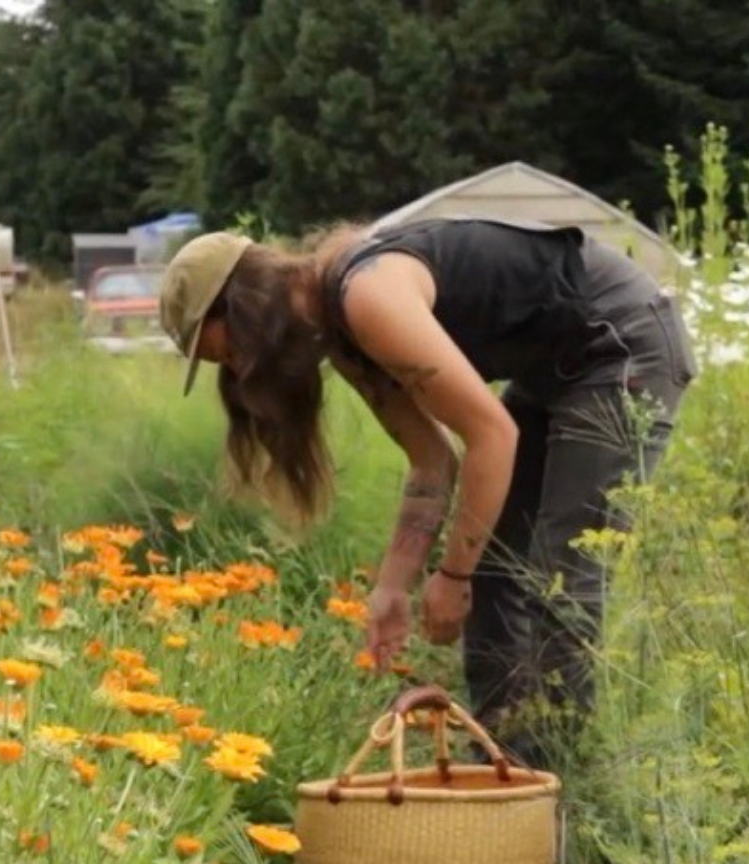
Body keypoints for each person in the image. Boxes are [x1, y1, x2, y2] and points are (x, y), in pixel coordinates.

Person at [159, 218, 696, 768]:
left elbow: (492, 435)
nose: (241, 373)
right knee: (496, 563)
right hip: (555, 369)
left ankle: (562, 789)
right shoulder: (341, 332)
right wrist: (394, 587)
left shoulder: (368, 297)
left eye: (227, 356)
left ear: (244, 308)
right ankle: (501, 766)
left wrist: (453, 574)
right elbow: (432, 460)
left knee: (560, 581)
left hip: (619, 344)